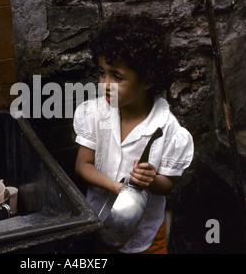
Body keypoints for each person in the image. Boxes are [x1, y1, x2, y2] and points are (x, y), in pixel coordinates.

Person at [73, 14, 194, 254]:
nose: (105, 84)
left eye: (117, 77)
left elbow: (167, 185)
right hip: (101, 223)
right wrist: (115, 187)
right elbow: (82, 165)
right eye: (102, 73)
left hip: (145, 234)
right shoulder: (95, 114)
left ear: (147, 80)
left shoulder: (167, 128)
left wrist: (152, 179)